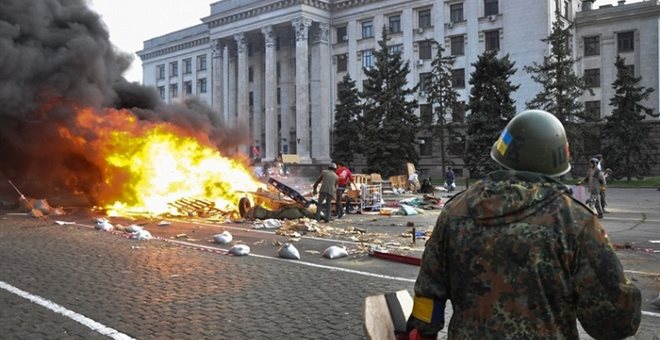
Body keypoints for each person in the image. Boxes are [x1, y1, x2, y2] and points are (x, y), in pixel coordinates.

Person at [406, 110, 641, 339]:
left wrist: (422, 332)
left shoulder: (455, 211)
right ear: (557, 159)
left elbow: (428, 294)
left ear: (502, 154)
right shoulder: (575, 220)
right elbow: (614, 323)